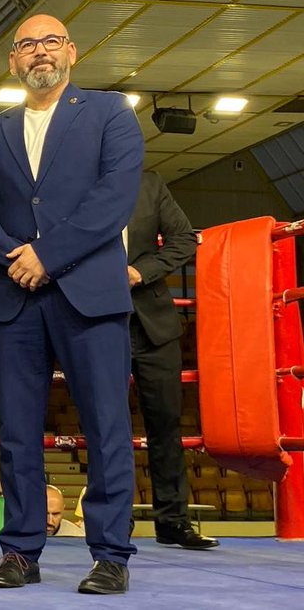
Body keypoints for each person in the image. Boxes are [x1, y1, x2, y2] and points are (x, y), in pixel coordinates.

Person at [0, 14, 142, 595]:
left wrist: (46, 255)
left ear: (72, 51)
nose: (39, 52)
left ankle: (111, 553)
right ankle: (19, 551)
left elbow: (115, 199)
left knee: (107, 427)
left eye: (50, 41)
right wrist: (18, 256)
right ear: (13, 61)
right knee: (14, 431)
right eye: (26, 45)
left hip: (89, 295)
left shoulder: (111, 112)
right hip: (14, 298)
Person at [126, 171, 216, 550]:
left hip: (152, 323)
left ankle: (173, 522)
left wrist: (140, 271)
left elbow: (184, 239)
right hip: (93, 321)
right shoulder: (72, 178)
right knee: (104, 427)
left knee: (166, 424)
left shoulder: (148, 184)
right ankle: (112, 524)